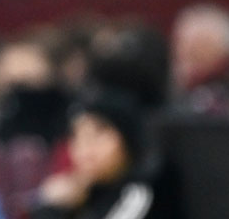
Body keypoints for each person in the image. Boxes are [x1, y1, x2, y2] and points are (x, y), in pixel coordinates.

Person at [29, 90, 179, 219]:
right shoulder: (82, 196)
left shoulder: (142, 192)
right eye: (76, 136)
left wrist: (53, 211)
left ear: (127, 138)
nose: (85, 147)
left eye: (98, 133)